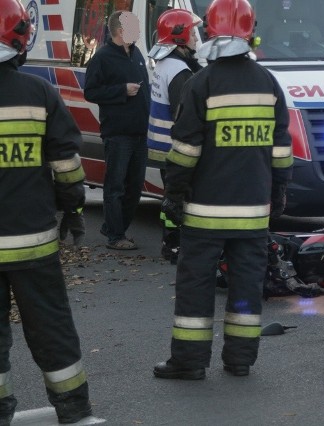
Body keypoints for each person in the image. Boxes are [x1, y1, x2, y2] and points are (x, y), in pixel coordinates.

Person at [153, 0, 292, 380]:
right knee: (246, 287)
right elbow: (281, 149)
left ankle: (189, 362)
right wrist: (278, 192)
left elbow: (184, 151)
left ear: (211, 31)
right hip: (253, 212)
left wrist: (174, 195)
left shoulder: (201, 84)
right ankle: (241, 360)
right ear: (251, 32)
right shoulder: (268, 83)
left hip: (205, 213)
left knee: (195, 288)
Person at [0, 0, 92, 423]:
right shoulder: (40, 93)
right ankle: (73, 409)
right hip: (32, 242)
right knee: (50, 325)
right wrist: (71, 209)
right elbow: (67, 167)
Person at [84, 10, 150, 250]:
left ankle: (113, 226)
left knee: (134, 187)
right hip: (118, 133)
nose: (139, 32)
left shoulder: (136, 53)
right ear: (121, 31)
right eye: (134, 27)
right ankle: (116, 236)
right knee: (116, 187)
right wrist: (121, 90)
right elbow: (90, 91)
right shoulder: (102, 57)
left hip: (140, 133)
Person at [147, 8, 203, 264]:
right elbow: (184, 116)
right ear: (180, 36)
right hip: (175, 148)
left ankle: (169, 244)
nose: (196, 37)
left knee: (169, 199)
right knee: (179, 200)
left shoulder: (165, 63)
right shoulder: (181, 72)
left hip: (161, 146)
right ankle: (175, 246)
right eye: (192, 31)